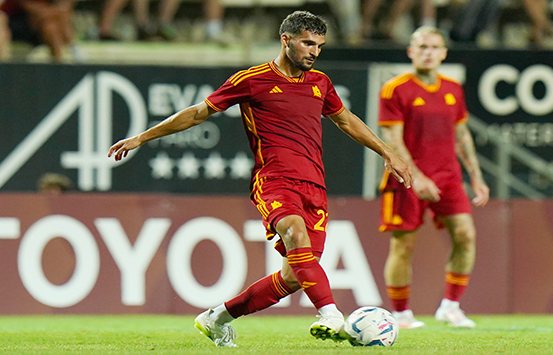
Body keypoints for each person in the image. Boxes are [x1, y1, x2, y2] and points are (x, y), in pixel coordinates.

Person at [108, 10, 412, 347]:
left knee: (294, 276)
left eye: (319, 46)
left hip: (315, 186)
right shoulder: (251, 79)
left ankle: (216, 318)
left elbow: (346, 120)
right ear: (286, 40)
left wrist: (388, 152)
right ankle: (331, 313)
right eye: (307, 43)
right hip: (274, 180)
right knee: (295, 233)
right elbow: (197, 113)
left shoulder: (320, 83)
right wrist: (142, 137)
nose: (314, 51)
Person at [377, 26, 489, 329]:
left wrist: (476, 176)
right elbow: (393, 139)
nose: (428, 52)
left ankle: (450, 307)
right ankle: (401, 314)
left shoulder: (453, 89)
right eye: (422, 47)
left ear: (443, 53)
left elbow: (462, 135)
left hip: (449, 175)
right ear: (411, 51)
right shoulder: (395, 89)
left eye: (434, 47)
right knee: (404, 245)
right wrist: (418, 176)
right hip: (408, 177)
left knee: (466, 235)